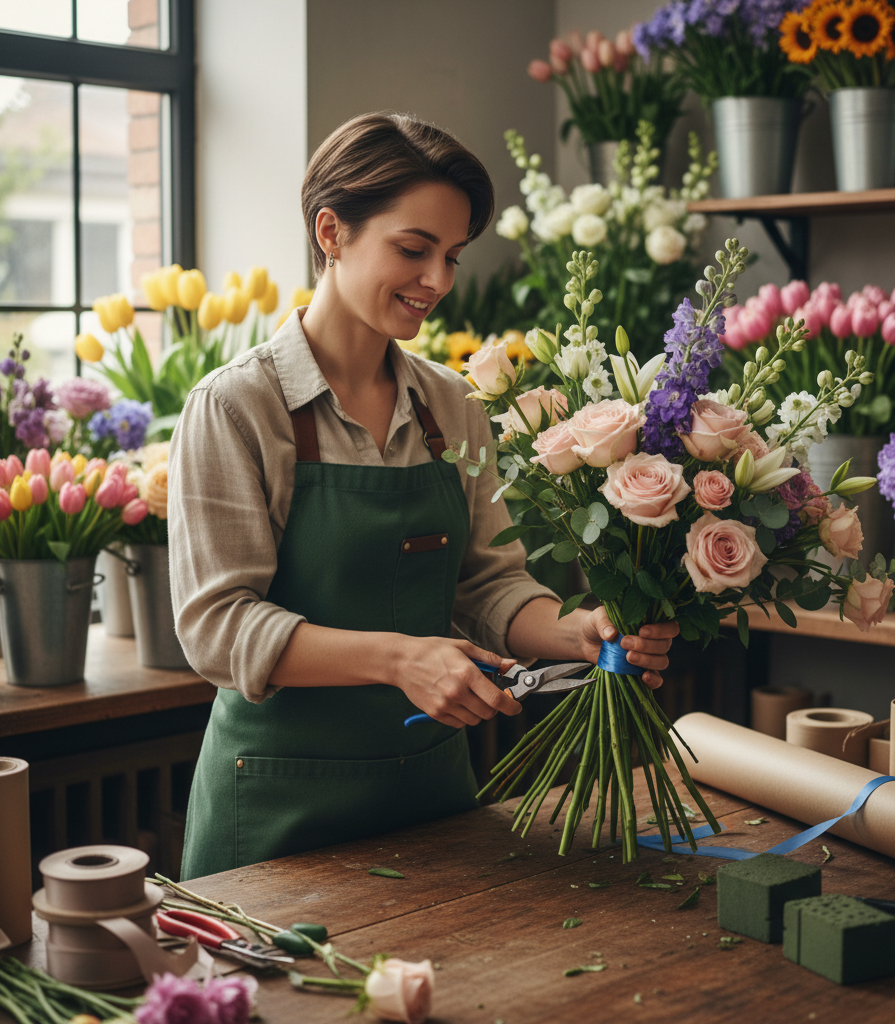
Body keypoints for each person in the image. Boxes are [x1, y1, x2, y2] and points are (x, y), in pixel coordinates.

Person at [169, 112, 677, 880]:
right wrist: (402, 660)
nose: (437, 281)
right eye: (412, 250)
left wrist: (576, 630)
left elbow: (488, 585)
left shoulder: (452, 405)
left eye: (452, 256)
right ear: (331, 232)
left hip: (434, 802)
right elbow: (217, 626)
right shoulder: (240, 407)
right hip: (275, 815)